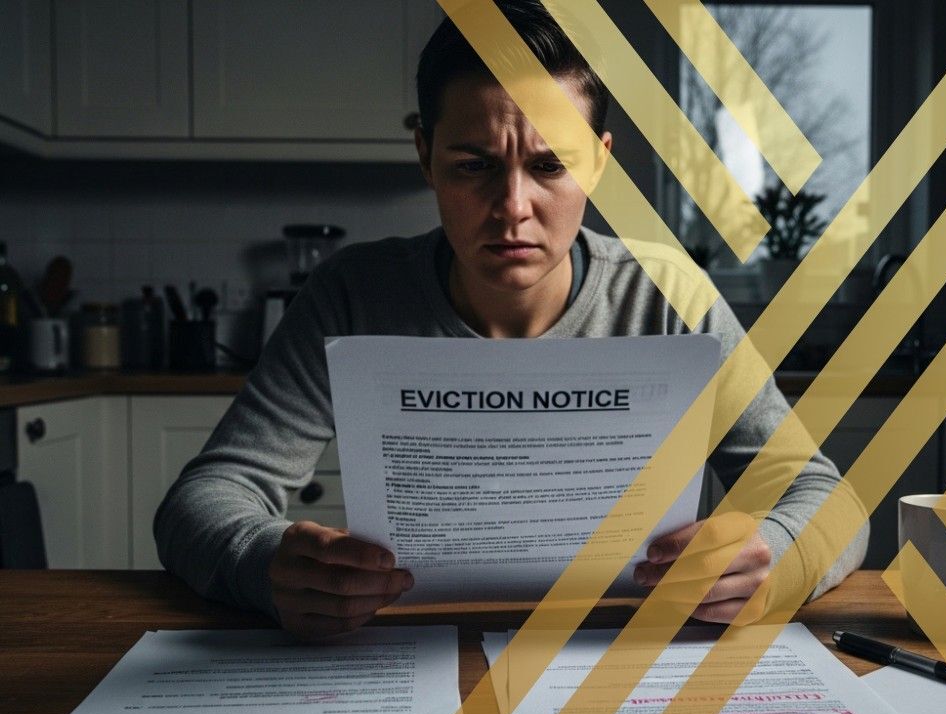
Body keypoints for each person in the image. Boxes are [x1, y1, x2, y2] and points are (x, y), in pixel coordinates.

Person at [154, 0, 868, 639]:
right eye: (474, 166)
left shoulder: (669, 294)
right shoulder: (355, 293)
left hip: (617, 654)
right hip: (408, 651)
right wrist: (261, 561)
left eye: (552, 166)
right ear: (425, 155)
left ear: (597, 164)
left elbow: (827, 499)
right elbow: (204, 498)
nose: (513, 207)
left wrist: (771, 559)